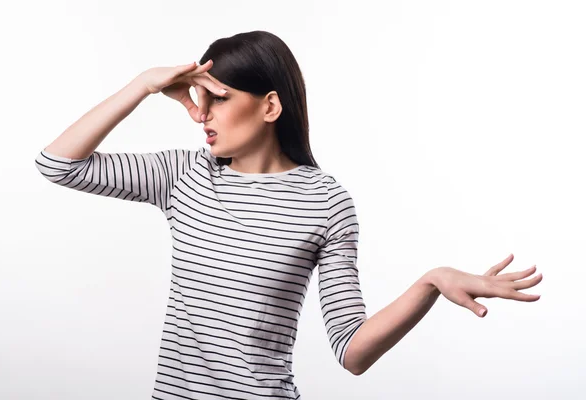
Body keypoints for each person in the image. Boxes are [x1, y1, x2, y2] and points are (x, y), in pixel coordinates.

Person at [34, 30, 543, 399]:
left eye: (219, 98)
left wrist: (430, 282)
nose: (202, 113)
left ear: (270, 107)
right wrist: (141, 85)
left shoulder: (326, 201)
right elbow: (57, 164)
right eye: (198, 98)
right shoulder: (185, 175)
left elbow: (353, 353)